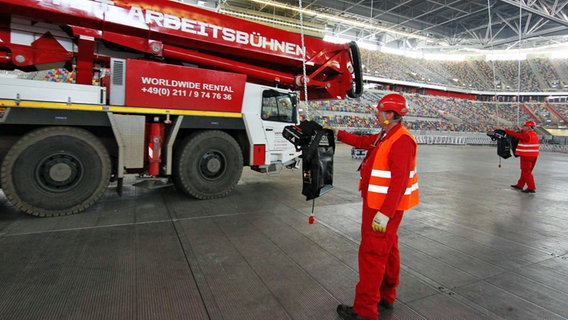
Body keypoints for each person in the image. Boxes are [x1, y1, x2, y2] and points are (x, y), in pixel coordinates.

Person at [333, 93, 419, 320]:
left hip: (382, 210)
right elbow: (363, 143)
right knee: (388, 251)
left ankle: (365, 310)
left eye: (379, 111)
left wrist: (385, 214)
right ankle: (386, 296)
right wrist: (336, 133)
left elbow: (399, 183)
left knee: (372, 255)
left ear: (390, 114)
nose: (375, 113)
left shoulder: (401, 140)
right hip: (378, 206)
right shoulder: (387, 135)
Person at [500, 121, 540, 193]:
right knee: (525, 171)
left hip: (526, 156)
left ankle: (531, 187)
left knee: (526, 172)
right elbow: (522, 135)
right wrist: (521, 130)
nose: (523, 127)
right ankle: (520, 185)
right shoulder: (534, 134)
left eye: (525, 126)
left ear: (529, 127)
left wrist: (504, 129)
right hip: (533, 156)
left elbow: (515, 135)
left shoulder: (527, 135)